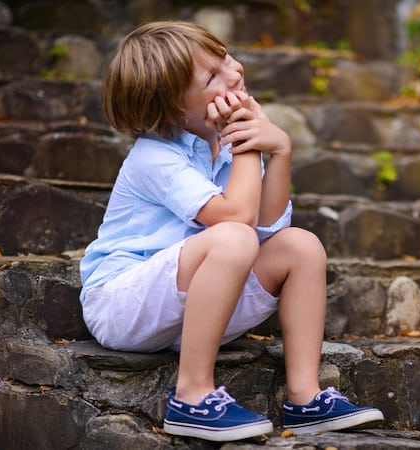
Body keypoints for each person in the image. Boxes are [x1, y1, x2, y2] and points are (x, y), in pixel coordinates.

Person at [79, 20, 383, 442]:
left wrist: (280, 152)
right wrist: (250, 146)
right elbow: (238, 221)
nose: (234, 72)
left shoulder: (223, 147)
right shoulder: (153, 158)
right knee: (233, 235)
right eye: (211, 77)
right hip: (123, 304)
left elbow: (269, 227)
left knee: (301, 246)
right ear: (169, 108)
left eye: (224, 57)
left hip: (190, 310)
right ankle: (191, 395)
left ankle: (304, 397)